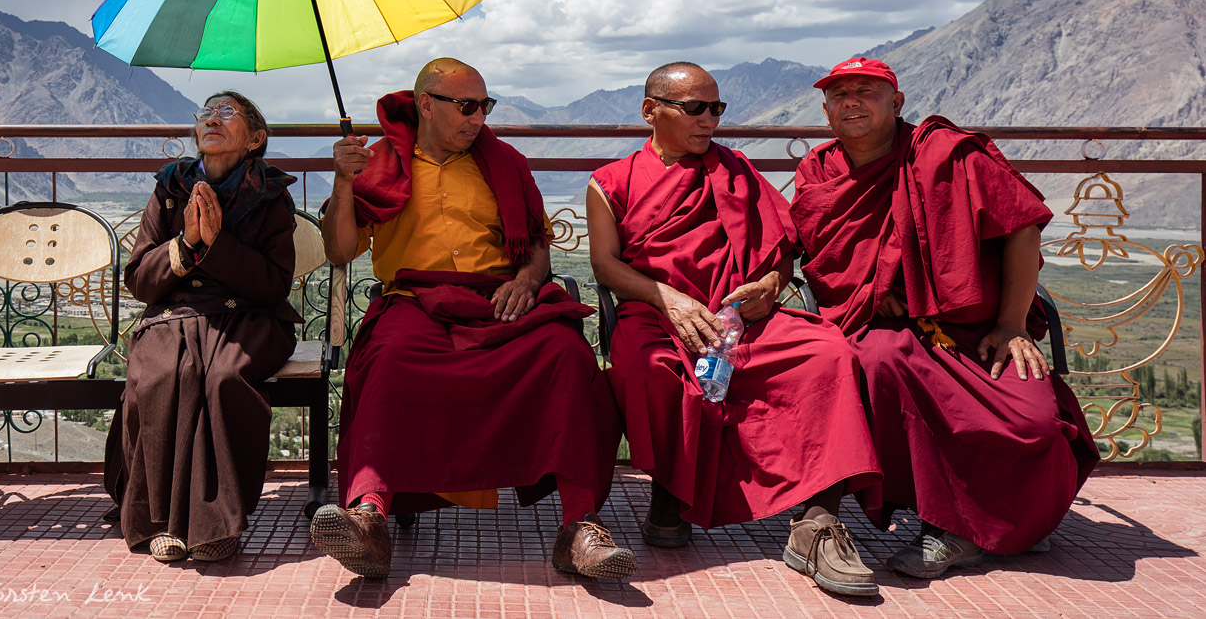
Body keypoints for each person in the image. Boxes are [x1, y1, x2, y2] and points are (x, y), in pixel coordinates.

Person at [313, 57, 634, 580]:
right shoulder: (379, 164)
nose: (478, 117)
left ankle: (580, 527)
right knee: (388, 361)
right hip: (414, 301)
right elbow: (342, 251)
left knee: (567, 355)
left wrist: (528, 281)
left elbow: (535, 247)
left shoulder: (503, 162)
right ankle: (369, 517)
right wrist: (344, 183)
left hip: (497, 300)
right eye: (466, 106)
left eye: (485, 105)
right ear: (425, 105)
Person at [790, 57, 1100, 579]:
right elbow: (822, 256)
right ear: (825, 110)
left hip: (973, 329)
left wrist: (1011, 324)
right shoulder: (819, 171)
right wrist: (869, 291)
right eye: (840, 95)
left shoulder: (945, 155)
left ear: (898, 103)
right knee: (872, 365)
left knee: (1036, 426)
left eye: (866, 91)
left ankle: (1004, 526)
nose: (852, 102)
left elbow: (1022, 225)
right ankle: (940, 524)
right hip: (883, 328)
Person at [586, 62, 884, 598]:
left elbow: (780, 248)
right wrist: (668, 298)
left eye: (716, 108)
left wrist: (771, 282)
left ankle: (817, 523)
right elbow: (606, 266)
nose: (710, 121)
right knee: (651, 366)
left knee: (828, 352)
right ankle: (670, 493)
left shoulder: (736, 170)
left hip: (742, 315)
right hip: (658, 312)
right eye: (695, 108)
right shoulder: (613, 182)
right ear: (651, 111)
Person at [105, 91, 300, 563]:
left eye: (227, 112)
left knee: (223, 378)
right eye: (206, 113)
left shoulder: (271, 195)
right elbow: (138, 279)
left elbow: (274, 284)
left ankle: (218, 524)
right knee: (160, 376)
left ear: (256, 138)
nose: (212, 119)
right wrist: (188, 241)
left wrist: (217, 244)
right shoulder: (170, 188)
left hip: (250, 317)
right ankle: (158, 521)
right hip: (173, 316)